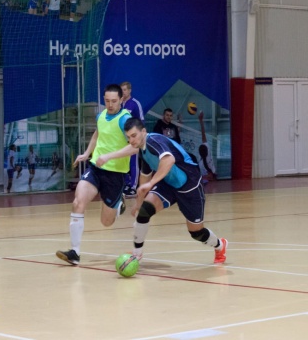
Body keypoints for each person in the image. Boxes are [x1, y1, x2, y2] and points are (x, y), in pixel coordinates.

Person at [97, 117, 228, 264]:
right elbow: (144, 177)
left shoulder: (154, 141)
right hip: (168, 183)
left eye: (134, 136)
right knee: (145, 211)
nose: (131, 140)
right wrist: (138, 204)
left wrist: (152, 183)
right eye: (128, 137)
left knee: (196, 232)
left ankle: (220, 245)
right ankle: (137, 254)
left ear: (143, 132)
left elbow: (169, 160)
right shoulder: (143, 151)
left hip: (189, 185)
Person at [55, 84, 132, 266]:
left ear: (121, 100)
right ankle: (75, 252)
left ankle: (118, 204)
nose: (110, 105)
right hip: (96, 168)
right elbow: (97, 135)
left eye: (114, 101)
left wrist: (109, 157)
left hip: (115, 174)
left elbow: (134, 147)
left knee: (106, 222)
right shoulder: (101, 115)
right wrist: (87, 153)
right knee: (77, 202)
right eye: (107, 101)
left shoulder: (126, 120)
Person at [120, 81, 145, 198]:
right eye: (121, 90)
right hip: (122, 138)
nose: (123, 92)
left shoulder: (135, 104)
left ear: (129, 90)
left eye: (125, 90)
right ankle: (126, 183)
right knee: (123, 161)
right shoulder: (119, 104)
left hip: (133, 139)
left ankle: (133, 186)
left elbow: (141, 121)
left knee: (133, 161)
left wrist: (139, 137)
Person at [197, 110, 217, 182]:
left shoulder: (202, 163)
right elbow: (203, 135)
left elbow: (211, 177)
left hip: (209, 182)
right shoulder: (207, 152)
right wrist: (201, 121)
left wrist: (201, 178)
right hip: (208, 180)